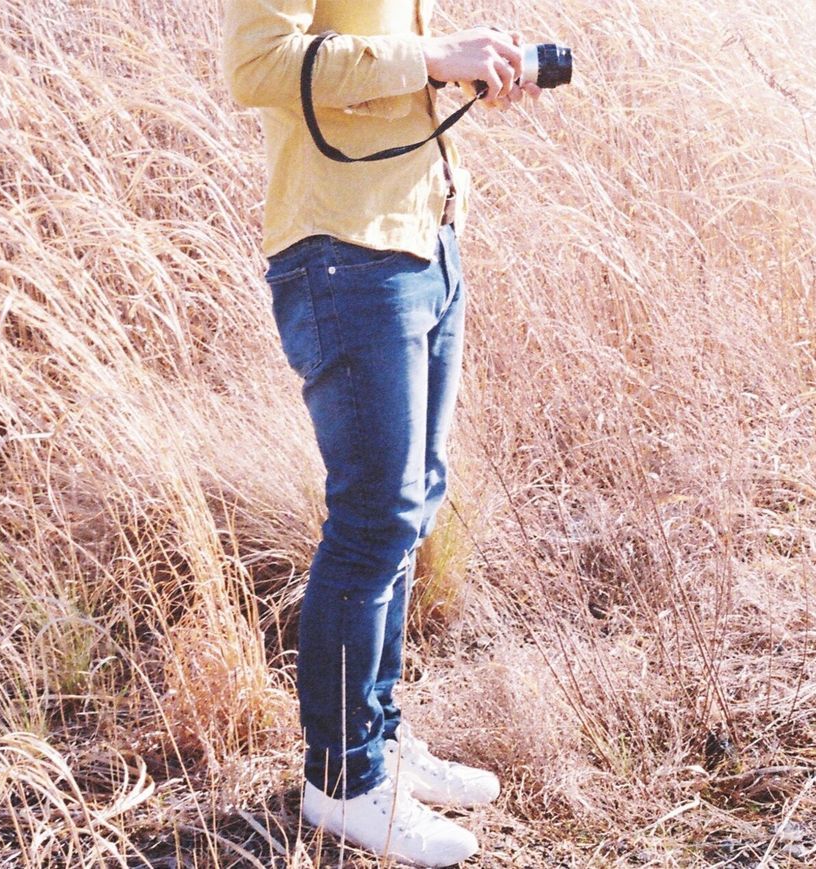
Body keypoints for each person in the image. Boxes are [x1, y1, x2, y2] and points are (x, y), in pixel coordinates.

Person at [222, 3, 541, 865]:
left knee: (408, 507)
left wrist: (455, 69)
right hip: (344, 253)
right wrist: (433, 53)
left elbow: (380, 64)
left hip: (423, 240)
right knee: (372, 516)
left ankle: (379, 740)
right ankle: (343, 779)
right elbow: (257, 62)